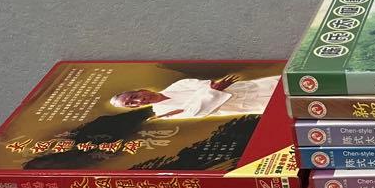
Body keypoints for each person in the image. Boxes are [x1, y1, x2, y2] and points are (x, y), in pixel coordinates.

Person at [110, 74, 280, 120]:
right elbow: (196, 111)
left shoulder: (178, 85)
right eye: (131, 104)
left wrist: (209, 92)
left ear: (141, 90)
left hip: (249, 87)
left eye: (134, 96)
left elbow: (208, 85)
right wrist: (211, 92)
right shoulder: (162, 113)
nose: (138, 101)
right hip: (244, 104)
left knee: (284, 84)